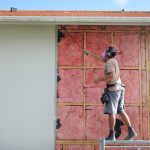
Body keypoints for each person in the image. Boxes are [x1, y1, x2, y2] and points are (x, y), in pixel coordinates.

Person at [83, 47, 137, 140]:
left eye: (106, 52)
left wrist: (98, 79)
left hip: (113, 90)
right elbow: (100, 58)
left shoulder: (109, 63)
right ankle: (131, 131)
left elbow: (111, 76)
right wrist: (88, 52)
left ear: (108, 54)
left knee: (111, 111)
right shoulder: (112, 61)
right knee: (120, 110)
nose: (104, 53)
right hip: (119, 88)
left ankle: (112, 135)